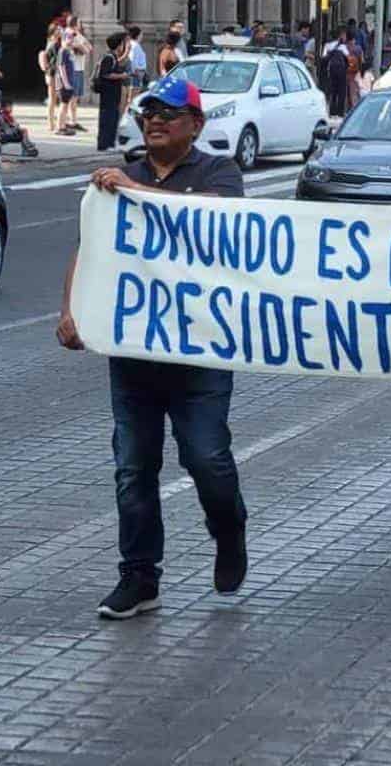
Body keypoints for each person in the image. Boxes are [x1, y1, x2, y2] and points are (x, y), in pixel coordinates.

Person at [56, 75, 249, 620]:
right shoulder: (118, 179)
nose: (155, 119)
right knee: (133, 468)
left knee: (206, 459)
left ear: (197, 124)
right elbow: (90, 248)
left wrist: (134, 191)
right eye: (148, 112)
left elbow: (215, 221)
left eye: (168, 112)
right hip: (136, 355)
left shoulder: (220, 172)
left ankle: (229, 529)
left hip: (200, 354)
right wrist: (71, 310)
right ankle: (139, 576)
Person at [95, 32, 130, 151]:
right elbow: (105, 74)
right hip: (108, 93)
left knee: (113, 117)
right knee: (107, 118)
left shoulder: (113, 57)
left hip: (113, 93)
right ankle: (104, 144)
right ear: (119, 45)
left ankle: (110, 142)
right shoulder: (108, 57)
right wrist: (122, 76)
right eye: (123, 44)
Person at [322, 26, 350, 117]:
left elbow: (324, 58)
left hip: (331, 71)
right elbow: (348, 57)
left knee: (332, 91)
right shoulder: (342, 46)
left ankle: (332, 111)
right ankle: (340, 112)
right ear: (340, 36)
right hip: (341, 72)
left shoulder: (327, 45)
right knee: (341, 92)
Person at [125, 25, 148, 107]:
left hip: (137, 73)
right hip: (136, 74)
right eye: (141, 34)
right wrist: (136, 72)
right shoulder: (134, 45)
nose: (142, 36)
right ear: (138, 35)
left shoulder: (134, 45)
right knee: (133, 99)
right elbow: (132, 59)